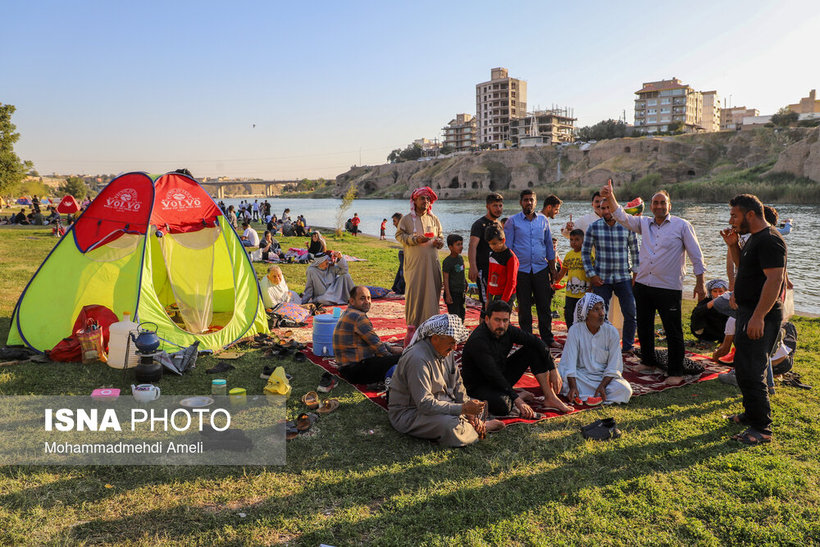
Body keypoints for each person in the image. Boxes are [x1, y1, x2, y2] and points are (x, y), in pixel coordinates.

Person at [601, 180, 706, 386]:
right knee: (645, 325)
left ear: (669, 206)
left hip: (668, 288)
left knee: (673, 330)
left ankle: (676, 371)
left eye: (662, 202)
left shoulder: (682, 226)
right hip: (643, 285)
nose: (659, 206)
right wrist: (610, 196)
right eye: (655, 203)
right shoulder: (644, 224)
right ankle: (648, 361)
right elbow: (621, 216)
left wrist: (700, 282)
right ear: (650, 207)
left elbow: (696, 255)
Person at [720, 194, 786, 445]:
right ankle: (751, 414)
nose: (731, 220)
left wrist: (759, 316)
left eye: (734, 215)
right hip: (749, 311)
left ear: (750, 214)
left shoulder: (769, 240)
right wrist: (733, 245)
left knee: (753, 370)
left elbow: (774, 280)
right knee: (743, 366)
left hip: (763, 315)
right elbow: (745, 269)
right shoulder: (754, 239)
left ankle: (762, 428)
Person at [388, 314, 503, 447]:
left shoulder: (446, 351)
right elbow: (424, 404)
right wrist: (462, 409)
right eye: (451, 342)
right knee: (450, 426)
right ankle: (479, 428)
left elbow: (458, 385)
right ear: (435, 338)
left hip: (440, 403)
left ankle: (471, 423)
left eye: (455, 343)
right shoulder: (418, 359)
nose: (455, 347)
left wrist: (469, 411)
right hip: (411, 413)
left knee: (477, 407)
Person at [461, 300, 572, 417]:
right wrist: (518, 400)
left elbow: (537, 342)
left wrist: (552, 368)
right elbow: (493, 374)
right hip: (479, 385)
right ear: (487, 319)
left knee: (533, 349)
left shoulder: (508, 330)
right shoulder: (479, 341)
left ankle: (550, 397)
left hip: (501, 374)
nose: (501, 325)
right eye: (497, 320)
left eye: (505, 320)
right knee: (503, 406)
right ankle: (518, 395)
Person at [582, 198, 639, 355]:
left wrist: (636, 273)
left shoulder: (627, 226)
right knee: (599, 314)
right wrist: (591, 275)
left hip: (623, 277)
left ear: (615, 208)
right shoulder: (594, 227)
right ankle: (603, 346)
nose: (606, 211)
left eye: (608, 208)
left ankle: (628, 346)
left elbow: (635, 251)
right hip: (602, 278)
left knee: (630, 312)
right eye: (602, 208)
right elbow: (585, 253)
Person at [503, 189, 558, 346]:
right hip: (521, 271)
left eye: (531, 200)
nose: (529, 202)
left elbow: (548, 245)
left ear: (536, 202)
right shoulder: (513, 221)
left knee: (544, 305)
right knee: (524, 306)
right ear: (521, 202)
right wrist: (510, 272)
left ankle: (547, 338)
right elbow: (509, 249)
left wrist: (552, 268)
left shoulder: (543, 220)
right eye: (526, 200)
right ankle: (527, 338)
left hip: (541, 269)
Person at [559, 294, 633, 404]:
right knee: (559, 382)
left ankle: (589, 395)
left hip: (604, 379)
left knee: (624, 390)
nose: (602, 313)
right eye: (596, 310)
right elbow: (570, 363)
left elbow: (614, 366)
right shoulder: (575, 330)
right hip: (580, 377)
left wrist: (602, 386)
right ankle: (578, 392)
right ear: (586, 314)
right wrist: (573, 386)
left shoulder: (611, 332)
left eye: (602, 308)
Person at [395, 187, 444, 343]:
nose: (425, 202)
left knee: (432, 293)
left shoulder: (434, 219)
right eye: (422, 198)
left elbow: (441, 237)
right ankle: (413, 328)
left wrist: (439, 242)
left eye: (428, 199)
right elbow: (399, 235)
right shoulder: (407, 219)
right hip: (415, 265)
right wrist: (415, 239)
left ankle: (431, 327)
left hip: (432, 264)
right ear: (414, 200)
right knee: (415, 295)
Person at [333, 286, 404, 385]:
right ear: (352, 301)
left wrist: (391, 348)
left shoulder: (349, 312)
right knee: (405, 359)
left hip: (346, 368)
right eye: (362, 298)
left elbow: (368, 341)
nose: (367, 301)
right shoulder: (358, 317)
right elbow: (378, 347)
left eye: (369, 298)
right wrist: (392, 359)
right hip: (354, 371)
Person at [468, 193, 504, 315]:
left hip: (497, 270)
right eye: (495, 206)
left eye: (500, 205)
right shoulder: (479, 224)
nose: (498, 209)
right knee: (486, 303)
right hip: (483, 269)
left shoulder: (499, 224)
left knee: (497, 302)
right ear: (487, 206)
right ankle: (483, 331)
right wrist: (473, 267)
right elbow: (472, 246)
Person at [555, 229, 591, 330]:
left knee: (583, 316)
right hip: (570, 293)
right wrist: (555, 280)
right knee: (569, 314)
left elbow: (593, 274)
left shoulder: (587, 255)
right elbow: (562, 272)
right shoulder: (568, 255)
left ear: (583, 240)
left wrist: (591, 288)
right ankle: (571, 334)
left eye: (577, 240)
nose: (573, 242)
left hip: (584, 293)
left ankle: (583, 337)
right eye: (571, 240)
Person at [485, 223, 518, 306]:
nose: (492, 246)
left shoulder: (511, 258)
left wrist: (504, 301)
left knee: (502, 317)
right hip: (493, 294)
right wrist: (488, 298)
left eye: (494, 244)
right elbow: (489, 276)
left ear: (503, 240)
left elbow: (511, 282)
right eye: (490, 244)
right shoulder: (492, 255)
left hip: (506, 296)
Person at [442, 234, 467, 320]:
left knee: (462, 313)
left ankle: (460, 329)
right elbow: (445, 279)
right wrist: (448, 295)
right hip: (453, 293)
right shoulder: (448, 262)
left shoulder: (460, 258)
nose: (461, 247)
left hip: (461, 291)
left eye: (461, 244)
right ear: (450, 247)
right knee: (455, 316)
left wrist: (465, 282)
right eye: (458, 244)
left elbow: (462, 272)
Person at [390, 212, 405, 294]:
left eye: (394, 221)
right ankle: (397, 287)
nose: (393, 224)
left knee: (403, 271)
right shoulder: (400, 231)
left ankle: (400, 288)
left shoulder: (405, 229)